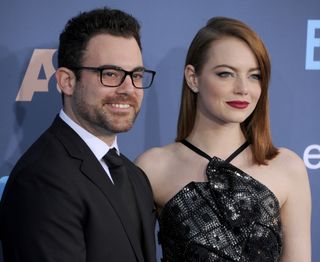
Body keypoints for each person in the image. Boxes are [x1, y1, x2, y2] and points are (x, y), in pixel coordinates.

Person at [136, 17, 311, 262]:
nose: (243, 88)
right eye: (226, 74)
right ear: (193, 78)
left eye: (255, 76)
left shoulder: (287, 167)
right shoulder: (153, 167)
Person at [0, 7, 157, 262]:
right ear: (66, 81)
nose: (129, 88)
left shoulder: (135, 177)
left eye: (136, 75)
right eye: (111, 74)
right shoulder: (41, 179)